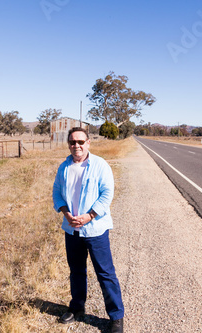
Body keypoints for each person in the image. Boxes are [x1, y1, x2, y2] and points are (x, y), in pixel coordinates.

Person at [52, 127, 124, 333]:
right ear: (68, 144)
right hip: (71, 229)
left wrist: (89, 216)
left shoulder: (100, 165)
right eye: (73, 142)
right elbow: (56, 193)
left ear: (88, 143)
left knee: (105, 273)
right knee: (76, 272)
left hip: (95, 230)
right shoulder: (64, 167)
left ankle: (116, 317)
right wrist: (66, 214)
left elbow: (107, 193)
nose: (77, 146)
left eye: (81, 142)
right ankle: (77, 307)